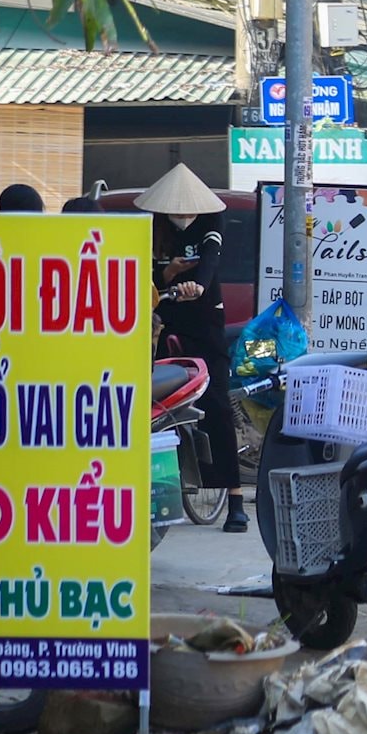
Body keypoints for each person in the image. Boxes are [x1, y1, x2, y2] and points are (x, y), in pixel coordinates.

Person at [145, 163, 246, 532]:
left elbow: (210, 262)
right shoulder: (151, 229)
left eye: (189, 208)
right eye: (178, 208)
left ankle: (235, 499)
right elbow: (146, 278)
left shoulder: (210, 224)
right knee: (153, 406)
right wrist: (168, 275)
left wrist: (199, 286)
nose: (184, 214)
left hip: (204, 321)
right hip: (161, 320)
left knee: (217, 404)